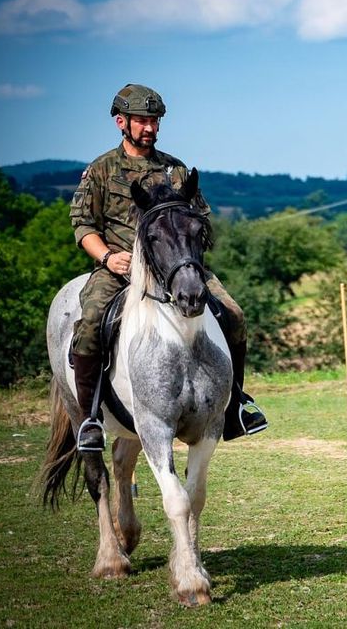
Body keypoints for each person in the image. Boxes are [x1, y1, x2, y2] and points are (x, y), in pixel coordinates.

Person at [68, 83, 267, 451]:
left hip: (178, 265)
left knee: (235, 314)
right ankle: (90, 419)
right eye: (142, 121)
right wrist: (109, 258)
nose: (150, 129)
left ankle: (236, 403)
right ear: (121, 122)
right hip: (121, 268)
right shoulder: (101, 170)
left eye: (154, 121)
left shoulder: (175, 169)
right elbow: (83, 225)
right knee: (91, 322)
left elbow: (200, 219)